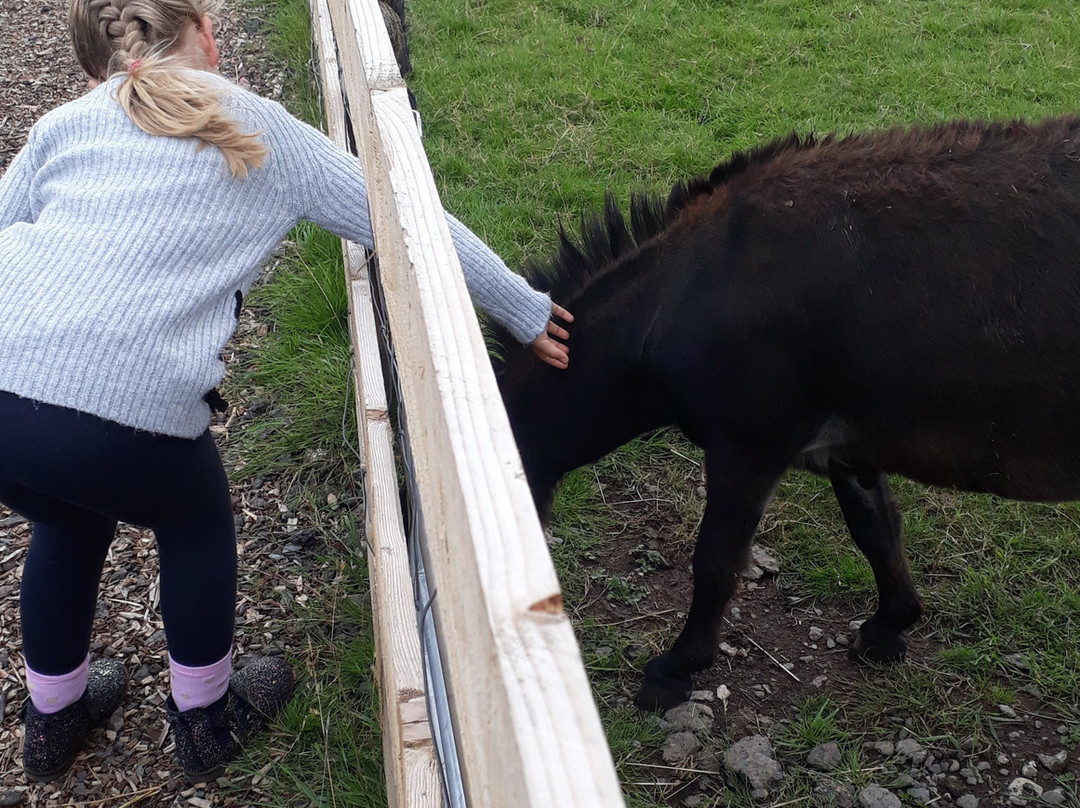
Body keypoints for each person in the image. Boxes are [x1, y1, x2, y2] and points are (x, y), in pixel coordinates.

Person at [0, 0, 573, 784]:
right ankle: (206, 719)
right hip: (122, 411)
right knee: (194, 519)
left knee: (65, 524)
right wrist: (524, 307)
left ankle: (51, 722)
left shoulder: (61, 126)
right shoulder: (253, 126)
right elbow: (404, 217)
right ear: (204, 31)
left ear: (93, 66)